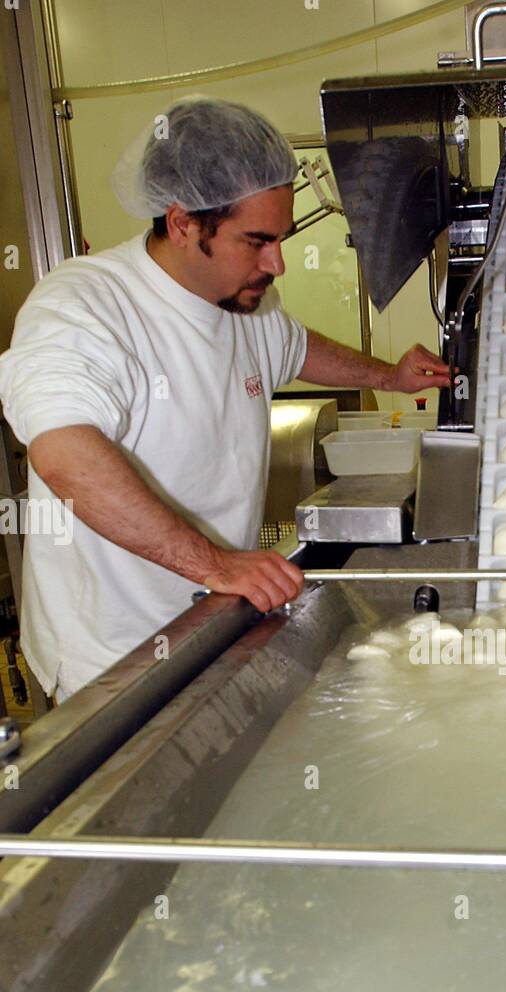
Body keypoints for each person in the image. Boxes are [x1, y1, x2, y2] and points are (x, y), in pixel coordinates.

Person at [0, 97, 450, 702]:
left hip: (211, 625)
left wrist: (390, 378)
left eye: (282, 239)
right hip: (110, 660)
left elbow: (296, 348)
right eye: (257, 241)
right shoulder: (84, 306)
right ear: (184, 221)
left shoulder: (247, 302)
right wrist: (217, 563)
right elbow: (64, 455)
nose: (278, 263)